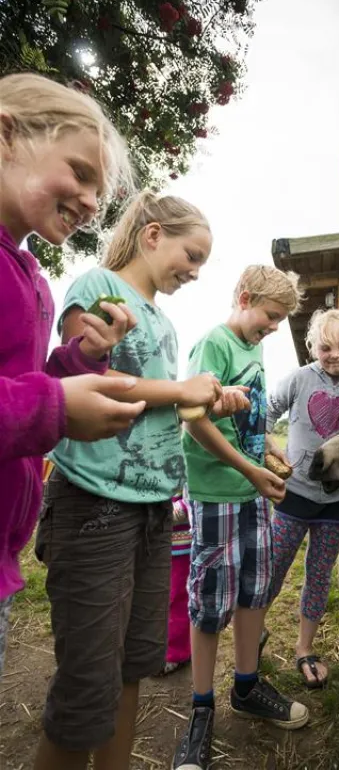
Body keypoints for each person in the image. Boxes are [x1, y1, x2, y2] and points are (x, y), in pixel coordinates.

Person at [33, 191, 248, 770]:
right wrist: (182, 391)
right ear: (153, 235)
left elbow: (158, 405)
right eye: (192, 254)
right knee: (88, 687)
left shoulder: (164, 322)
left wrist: (205, 402)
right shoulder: (96, 287)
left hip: (155, 510)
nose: (196, 272)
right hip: (96, 507)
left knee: (135, 665)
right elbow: (87, 380)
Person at [0, 72, 145, 678]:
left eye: (100, 193)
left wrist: (79, 361)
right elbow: (32, 402)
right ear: (6, 135)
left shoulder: (29, 274)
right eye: (81, 174)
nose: (91, 202)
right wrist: (54, 407)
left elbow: (22, 380)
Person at [174, 265, 309, 770]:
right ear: (245, 297)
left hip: (252, 492)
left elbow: (248, 421)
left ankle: (247, 687)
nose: (273, 327)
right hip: (216, 495)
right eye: (271, 317)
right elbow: (195, 427)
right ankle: (201, 709)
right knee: (210, 600)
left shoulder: (254, 347)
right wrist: (252, 472)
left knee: (253, 590)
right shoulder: (214, 343)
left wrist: (269, 451)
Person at [266, 308, 339, 689]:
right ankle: (251, 630)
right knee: (273, 567)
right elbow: (266, 411)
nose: (335, 354)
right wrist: (270, 448)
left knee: (318, 576)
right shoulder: (300, 379)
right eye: (326, 347)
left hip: (336, 501)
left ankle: (305, 648)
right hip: (295, 495)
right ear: (312, 348)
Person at [157, 494, 193, 676]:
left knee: (177, 598)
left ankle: (176, 653)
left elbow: (192, 495)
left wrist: (161, 515)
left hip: (180, 541)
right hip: (153, 539)